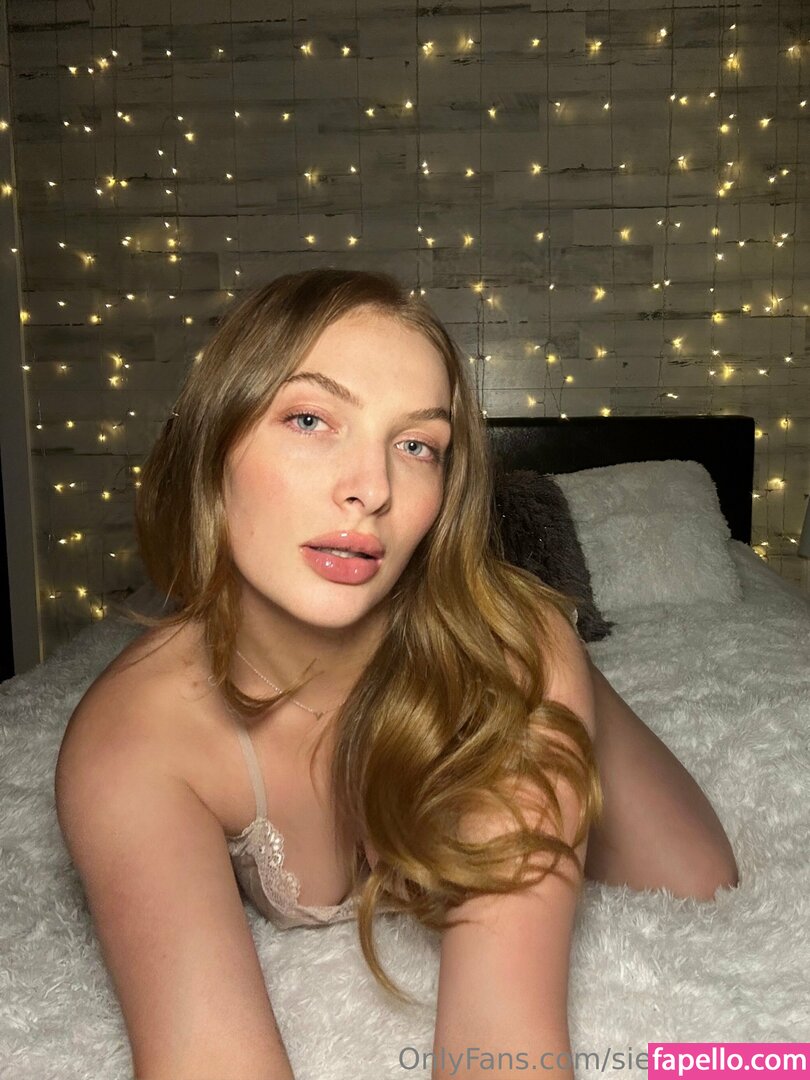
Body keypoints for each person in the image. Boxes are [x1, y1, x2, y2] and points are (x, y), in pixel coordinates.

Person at [54, 268, 739, 1080]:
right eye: (310, 419)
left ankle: (575, 674)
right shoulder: (132, 739)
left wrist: (547, 670)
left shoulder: (503, 666)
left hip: (503, 654)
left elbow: (501, 1044)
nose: (373, 490)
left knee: (699, 879)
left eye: (417, 446)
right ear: (213, 444)